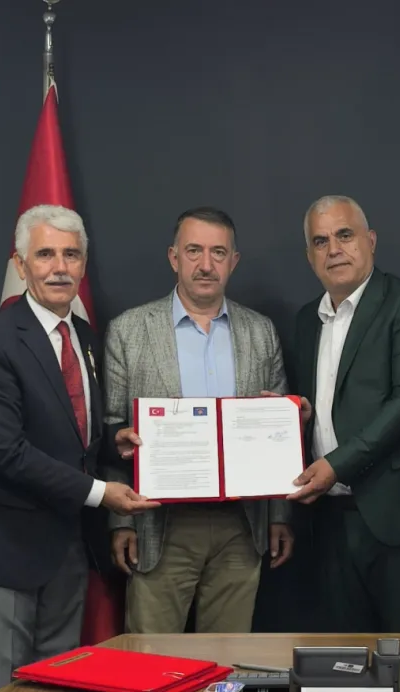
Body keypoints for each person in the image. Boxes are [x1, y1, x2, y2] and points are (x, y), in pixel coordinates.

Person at [0, 204, 158, 692]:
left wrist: (112, 440)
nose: (60, 267)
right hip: (6, 552)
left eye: (71, 254)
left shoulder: (83, 337)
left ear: (84, 264)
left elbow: (70, 431)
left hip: (67, 550)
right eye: (45, 254)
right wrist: (100, 493)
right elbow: (4, 450)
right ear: (20, 265)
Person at [105, 207, 295, 633]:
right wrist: (121, 520)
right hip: (159, 524)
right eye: (194, 251)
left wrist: (279, 515)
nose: (206, 264)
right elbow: (113, 431)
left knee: (229, 656)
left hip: (241, 525)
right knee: (152, 657)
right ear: (174, 257)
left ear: (234, 261)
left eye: (218, 252)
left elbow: (279, 434)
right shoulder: (129, 331)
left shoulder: (261, 331)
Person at [287, 195, 400, 633]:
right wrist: (292, 417)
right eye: (321, 241)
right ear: (309, 256)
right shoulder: (307, 320)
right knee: (341, 658)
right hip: (327, 520)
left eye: (345, 235)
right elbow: (322, 405)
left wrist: (337, 464)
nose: (334, 249)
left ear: (370, 240)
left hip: (397, 520)